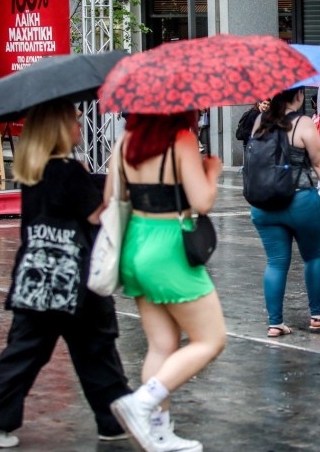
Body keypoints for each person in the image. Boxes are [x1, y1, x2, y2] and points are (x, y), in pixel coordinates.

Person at [0, 100, 132, 449]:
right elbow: (95, 215)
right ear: (58, 129)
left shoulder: (34, 170)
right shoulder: (68, 172)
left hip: (35, 277)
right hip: (74, 279)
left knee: (26, 349)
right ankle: (113, 417)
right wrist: (115, 180)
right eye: (73, 121)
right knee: (96, 348)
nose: (79, 126)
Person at [108, 111, 226, 452]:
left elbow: (112, 198)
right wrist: (212, 172)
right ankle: (141, 403)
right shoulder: (181, 140)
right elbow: (202, 201)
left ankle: (158, 432)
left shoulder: (125, 142)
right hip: (169, 248)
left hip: (135, 243)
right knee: (211, 339)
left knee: (162, 345)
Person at [249, 87, 320, 337]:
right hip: (300, 201)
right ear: (298, 96)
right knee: (313, 257)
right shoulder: (303, 122)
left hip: (264, 205)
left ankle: (275, 322)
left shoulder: (259, 121)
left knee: (276, 263)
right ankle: (317, 315)